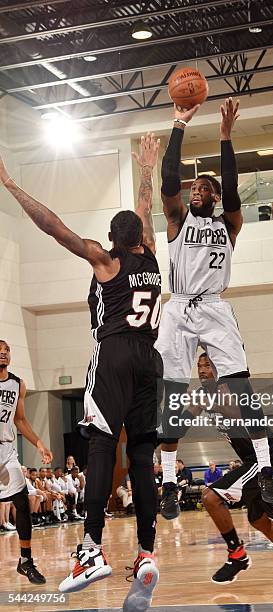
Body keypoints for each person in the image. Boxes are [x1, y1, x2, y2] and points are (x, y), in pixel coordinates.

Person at [0, 135, 162, 608]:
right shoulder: (150, 257)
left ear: (113, 240)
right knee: (141, 459)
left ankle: (91, 547)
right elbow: (146, 211)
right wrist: (145, 169)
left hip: (113, 356)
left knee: (99, 446)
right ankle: (147, 552)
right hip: (151, 361)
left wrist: (10, 185)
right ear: (139, 240)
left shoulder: (106, 261)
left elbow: (56, 228)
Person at [156, 97, 273, 520]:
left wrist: (225, 138)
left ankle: (265, 469)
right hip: (177, 309)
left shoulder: (228, 225)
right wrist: (179, 124)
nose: (198, 190)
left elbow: (230, 181)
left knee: (241, 387)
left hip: (213, 307)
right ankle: (169, 482)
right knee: (172, 397)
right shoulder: (176, 220)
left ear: (216, 197)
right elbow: (168, 177)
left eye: (205, 188)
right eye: (195, 187)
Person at [180, 353, 273, 583]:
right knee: (259, 520)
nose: (202, 370)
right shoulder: (202, 394)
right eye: (199, 366)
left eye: (208, 365)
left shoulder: (233, 388)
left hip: (265, 457)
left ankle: (237, 555)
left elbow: (244, 414)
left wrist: (213, 404)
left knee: (210, 497)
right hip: (250, 459)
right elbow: (182, 423)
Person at [0, 339, 52, 583]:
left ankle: (26, 561)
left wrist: (40, 444)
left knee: (22, 501)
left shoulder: (17, 384)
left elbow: (20, 419)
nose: (3, 353)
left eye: (7, 350)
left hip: (7, 451)